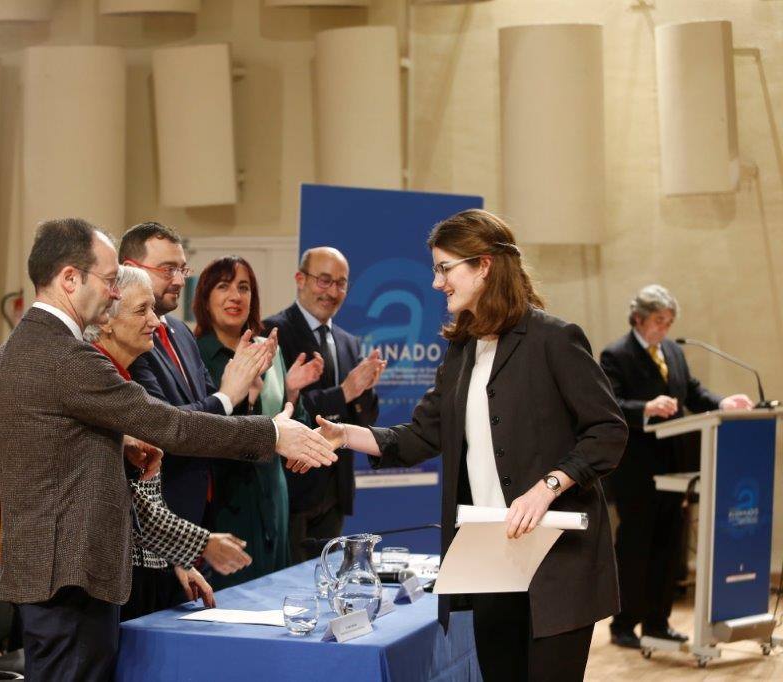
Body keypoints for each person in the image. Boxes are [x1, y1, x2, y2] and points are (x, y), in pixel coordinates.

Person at [0, 218, 337, 681]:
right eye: (110, 281)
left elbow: (63, 454)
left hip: (64, 573)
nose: (114, 293)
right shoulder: (64, 356)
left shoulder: (31, 346)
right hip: (69, 576)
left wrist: (117, 446)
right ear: (69, 278)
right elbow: (170, 424)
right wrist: (271, 434)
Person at [313, 209, 628, 681]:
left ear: (484, 265)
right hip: (491, 563)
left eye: (445, 268)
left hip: (557, 562)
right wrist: (345, 436)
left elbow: (608, 431)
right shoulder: (462, 350)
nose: (437, 282)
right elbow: (421, 436)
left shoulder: (554, 339)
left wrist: (547, 486)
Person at [85, 265, 255, 620]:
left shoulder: (124, 375)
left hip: (140, 569)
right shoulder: (98, 379)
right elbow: (176, 430)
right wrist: (197, 545)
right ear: (106, 320)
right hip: (97, 583)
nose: (156, 322)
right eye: (141, 310)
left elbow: (138, 500)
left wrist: (175, 560)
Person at [599, 284, 753, 649]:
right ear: (638, 319)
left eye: (669, 321)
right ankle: (623, 624)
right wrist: (646, 408)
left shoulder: (671, 351)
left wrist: (723, 402)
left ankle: (657, 622)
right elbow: (609, 405)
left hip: (675, 468)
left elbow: (694, 393)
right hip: (636, 470)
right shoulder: (615, 354)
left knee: (668, 548)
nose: (665, 328)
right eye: (659, 321)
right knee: (636, 547)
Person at [120, 222, 275, 526]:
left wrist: (244, 392)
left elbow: (212, 419)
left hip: (205, 509)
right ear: (130, 269)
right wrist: (228, 394)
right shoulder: (129, 339)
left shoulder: (179, 331)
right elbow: (165, 424)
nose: (178, 280)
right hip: (157, 518)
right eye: (167, 269)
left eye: (182, 269)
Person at [193, 256, 325, 588]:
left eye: (244, 287)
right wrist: (246, 400)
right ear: (206, 297)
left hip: (273, 494)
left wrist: (293, 393)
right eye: (223, 287)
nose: (235, 296)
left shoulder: (267, 351)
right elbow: (204, 434)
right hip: (228, 500)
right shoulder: (195, 355)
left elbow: (288, 426)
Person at [263, 246, 386, 563]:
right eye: (324, 280)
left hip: (335, 490)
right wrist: (344, 392)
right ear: (300, 279)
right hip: (292, 489)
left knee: (329, 582)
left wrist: (364, 390)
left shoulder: (348, 341)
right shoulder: (273, 333)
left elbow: (365, 417)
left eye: (341, 283)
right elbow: (280, 408)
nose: (332, 291)